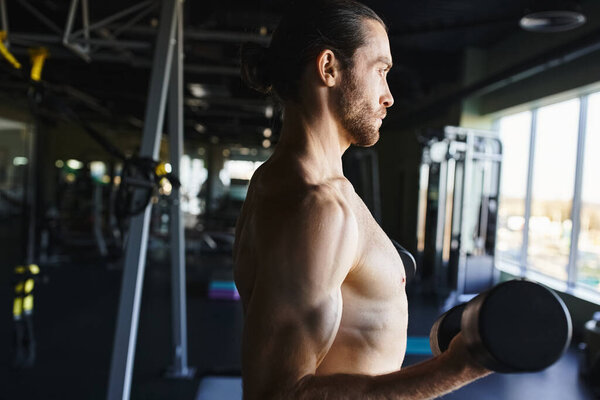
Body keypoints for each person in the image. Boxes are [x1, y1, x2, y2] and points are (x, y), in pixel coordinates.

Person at [233, 1, 491, 398]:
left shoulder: (276, 181)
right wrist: (457, 368)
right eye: (380, 71)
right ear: (329, 68)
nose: (388, 97)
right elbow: (277, 394)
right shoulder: (318, 207)